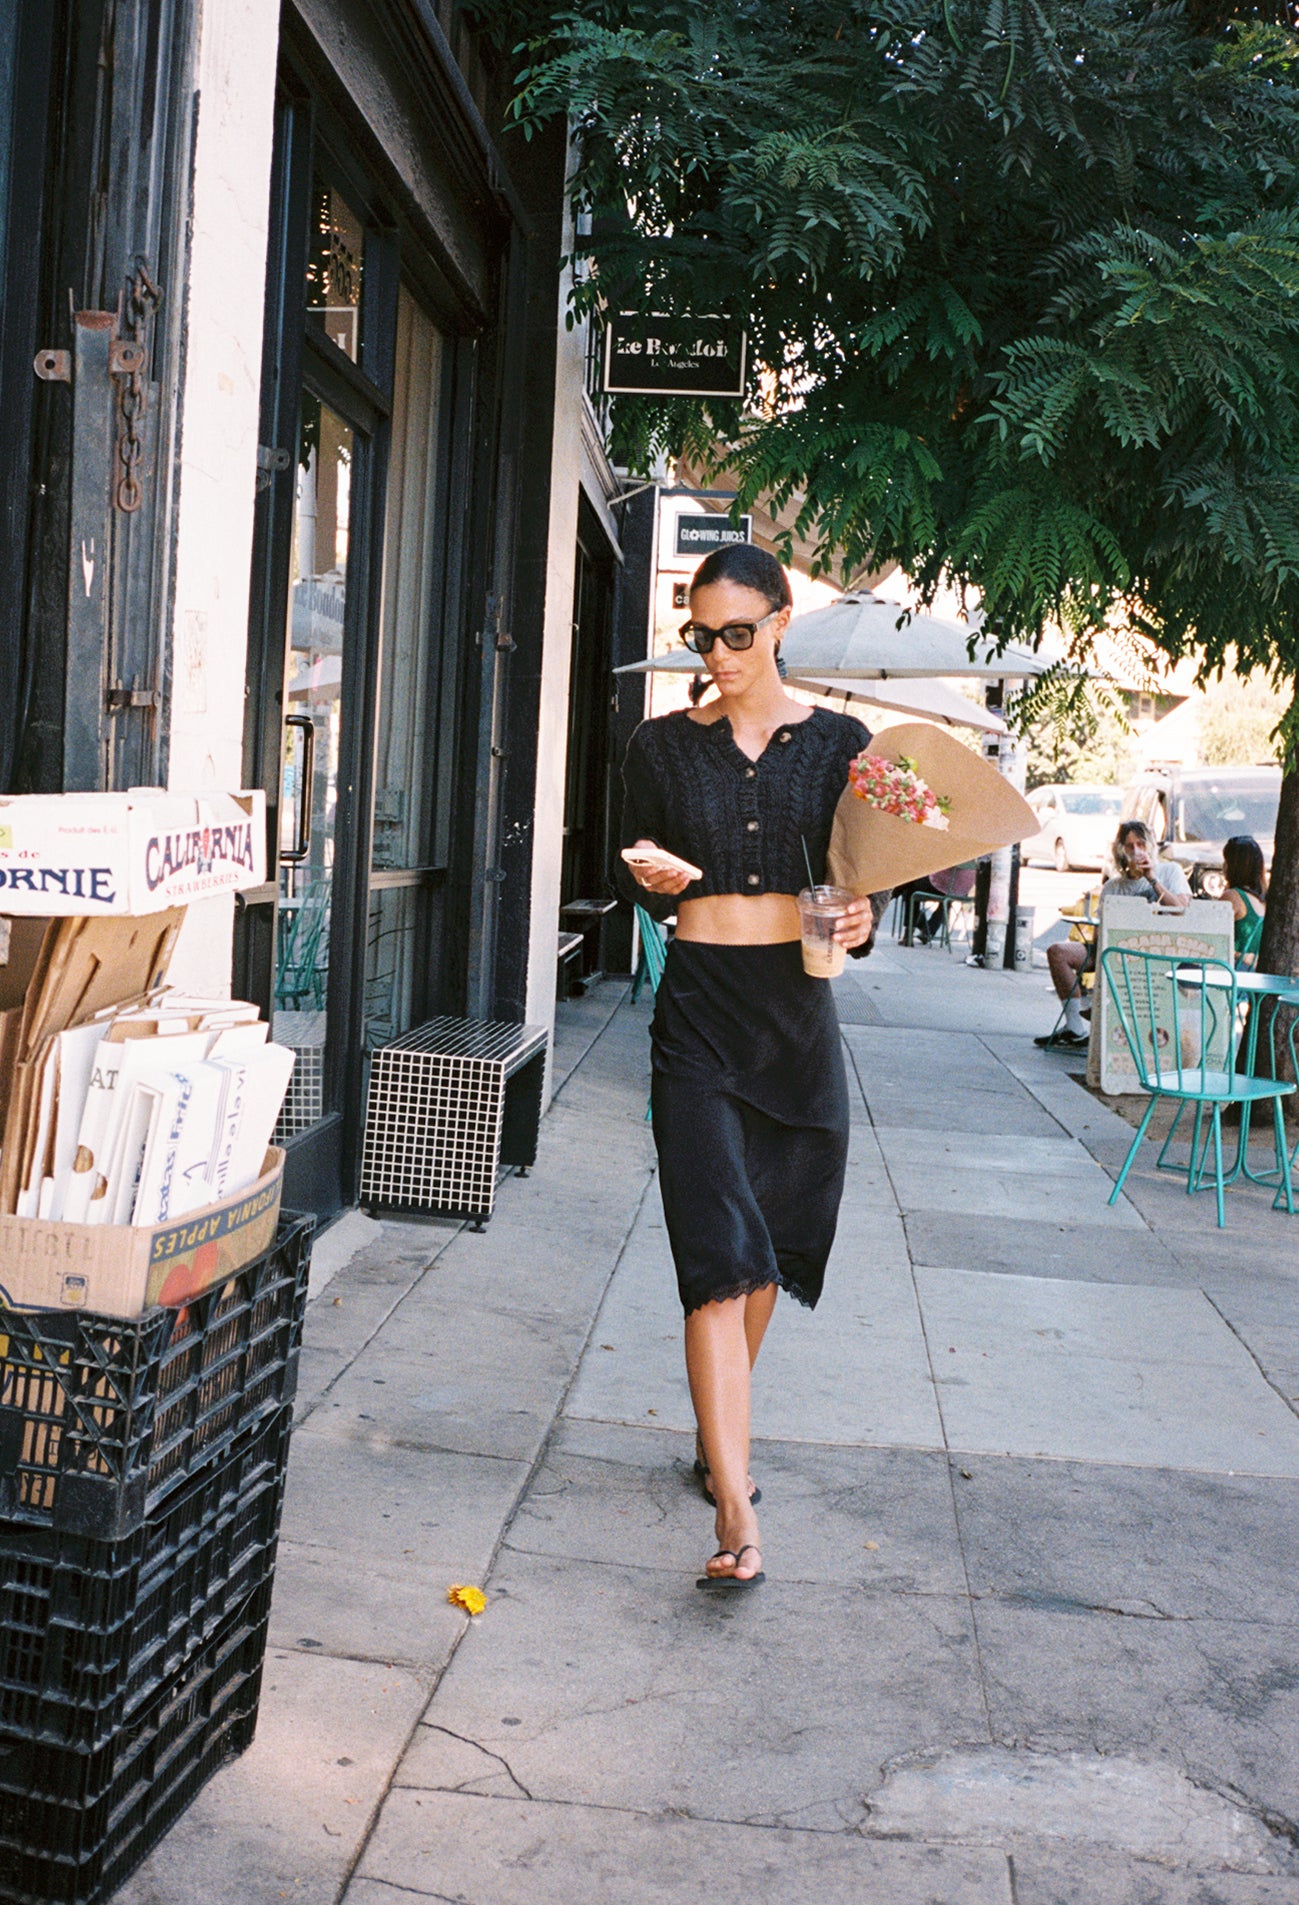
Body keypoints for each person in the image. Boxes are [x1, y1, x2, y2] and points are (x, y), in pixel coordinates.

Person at [617, 543, 875, 1592]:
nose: (718, 653)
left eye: (736, 632)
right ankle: (735, 1503)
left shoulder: (843, 744)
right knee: (717, 1259)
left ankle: (716, 1432)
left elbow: (870, 876)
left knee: (768, 1251)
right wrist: (651, 877)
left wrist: (863, 917)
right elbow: (630, 866)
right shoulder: (659, 748)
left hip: (798, 1018)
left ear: (779, 622)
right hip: (699, 1018)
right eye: (701, 634)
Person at [1035, 818, 1190, 1049]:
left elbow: (1181, 909)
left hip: (1158, 954)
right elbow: (1099, 935)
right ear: (1121, 851)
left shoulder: (1170, 872)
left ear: (1150, 845)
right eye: (1130, 846)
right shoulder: (1113, 886)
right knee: (1057, 952)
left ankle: (1100, 1012)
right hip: (1114, 952)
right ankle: (1075, 1027)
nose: (1137, 851)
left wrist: (1152, 879)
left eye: (1141, 844)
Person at [1222, 834, 1267, 970]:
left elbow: (1214, 940)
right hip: (1256, 973)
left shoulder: (1233, 897)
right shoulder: (1263, 898)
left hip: (1236, 974)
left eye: (1226, 861)